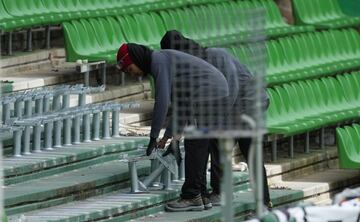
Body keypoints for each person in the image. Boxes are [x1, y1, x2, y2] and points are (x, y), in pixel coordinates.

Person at [158, 30, 272, 209]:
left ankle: (261, 203)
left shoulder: (215, 55)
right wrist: (168, 135)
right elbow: (183, 105)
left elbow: (232, 89)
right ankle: (218, 192)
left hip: (249, 103)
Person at [116, 42, 229, 211]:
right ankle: (202, 195)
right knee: (200, 145)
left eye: (131, 69)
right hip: (215, 91)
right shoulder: (165, 61)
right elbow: (181, 105)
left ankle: (191, 196)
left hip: (210, 92)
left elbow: (162, 102)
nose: (135, 74)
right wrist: (167, 137)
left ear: (136, 58)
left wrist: (153, 136)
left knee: (195, 144)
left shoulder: (158, 61)